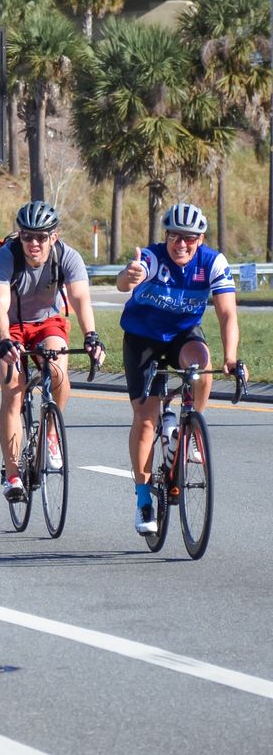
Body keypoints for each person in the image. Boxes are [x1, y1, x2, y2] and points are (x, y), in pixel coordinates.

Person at [116, 203, 243, 535]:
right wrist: (128, 277)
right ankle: (144, 498)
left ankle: (192, 431)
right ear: (166, 236)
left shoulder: (213, 262)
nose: (181, 245)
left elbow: (228, 314)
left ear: (200, 240)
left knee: (201, 367)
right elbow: (125, 280)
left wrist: (231, 356)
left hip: (183, 335)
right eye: (175, 237)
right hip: (143, 337)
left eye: (189, 238)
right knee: (146, 421)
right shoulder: (153, 258)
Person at [0, 201, 105, 502]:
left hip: (46, 323)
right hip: (7, 327)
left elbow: (79, 299)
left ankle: (50, 432)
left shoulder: (67, 256)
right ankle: (12, 474)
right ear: (19, 235)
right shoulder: (4, 258)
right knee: (13, 386)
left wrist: (91, 335)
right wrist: (4, 341)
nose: (33, 243)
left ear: (54, 235)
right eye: (27, 236)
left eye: (41, 236)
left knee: (59, 371)